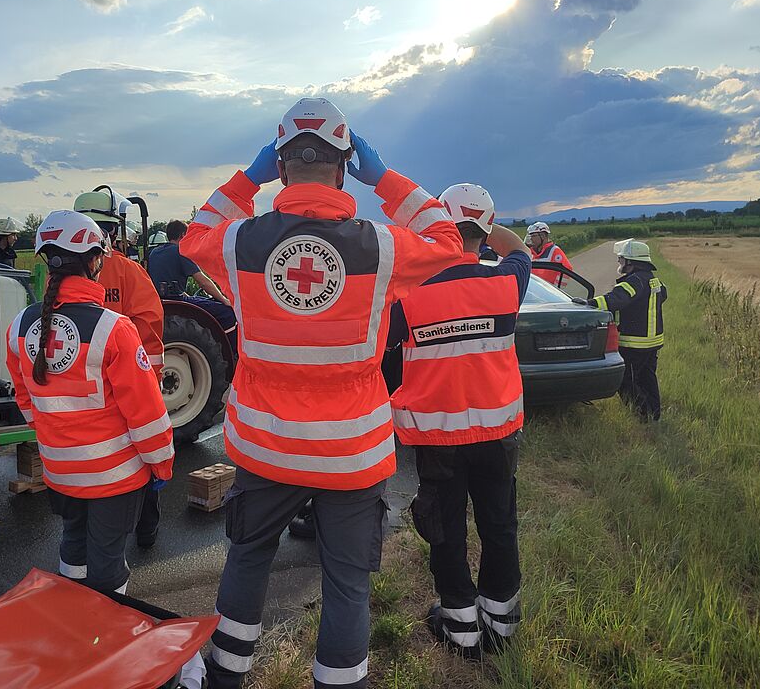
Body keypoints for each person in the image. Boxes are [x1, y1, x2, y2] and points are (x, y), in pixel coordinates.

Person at [180, 97, 463, 689]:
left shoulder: (237, 244)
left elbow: (193, 235)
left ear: (281, 169)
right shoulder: (382, 248)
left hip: (264, 448)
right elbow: (447, 237)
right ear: (343, 168)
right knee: (346, 583)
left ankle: (226, 676)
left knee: (248, 558)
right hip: (352, 454)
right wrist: (384, 177)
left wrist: (246, 178)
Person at [388, 183, 531, 660]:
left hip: (438, 436)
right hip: (499, 434)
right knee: (499, 523)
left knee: (444, 524)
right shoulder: (508, 280)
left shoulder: (409, 297)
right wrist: (489, 229)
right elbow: (519, 249)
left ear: (438, 229)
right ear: (485, 232)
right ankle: (502, 623)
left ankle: (459, 625)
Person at [5, 210, 174, 596]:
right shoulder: (115, 328)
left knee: (73, 545)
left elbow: (26, 401)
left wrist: (58, 436)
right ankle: (106, 639)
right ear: (95, 260)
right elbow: (146, 413)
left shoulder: (18, 326)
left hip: (60, 471)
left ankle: (75, 623)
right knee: (109, 562)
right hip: (114, 477)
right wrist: (161, 464)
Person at [74, 187, 167, 548]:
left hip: (80, 396)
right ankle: (145, 532)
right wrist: (150, 388)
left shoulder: (58, 279)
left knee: (92, 466)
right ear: (112, 230)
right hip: (126, 391)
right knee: (139, 462)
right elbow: (150, 331)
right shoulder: (129, 272)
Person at [579, 238, 667, 421]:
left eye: (621, 259)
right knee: (647, 378)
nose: (619, 262)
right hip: (653, 342)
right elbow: (662, 296)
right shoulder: (653, 280)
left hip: (635, 343)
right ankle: (654, 413)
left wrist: (588, 304)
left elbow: (614, 300)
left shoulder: (634, 281)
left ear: (631, 262)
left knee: (626, 380)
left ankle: (641, 415)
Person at [148, 219, 238, 344]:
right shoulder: (180, 251)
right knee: (226, 313)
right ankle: (231, 353)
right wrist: (224, 300)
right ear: (183, 235)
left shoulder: (154, 253)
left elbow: (164, 280)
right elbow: (203, 282)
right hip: (177, 300)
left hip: (160, 301)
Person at [526, 221, 572, 288]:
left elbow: (567, 268)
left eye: (534, 236)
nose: (531, 239)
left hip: (548, 292)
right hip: (534, 291)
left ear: (543, 236)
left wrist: (557, 289)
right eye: (530, 236)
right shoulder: (531, 252)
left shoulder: (554, 251)